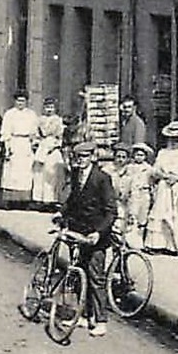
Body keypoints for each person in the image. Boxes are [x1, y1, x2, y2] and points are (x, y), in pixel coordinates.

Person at [57, 142, 118, 337]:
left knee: (95, 277)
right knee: (78, 272)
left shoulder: (102, 178)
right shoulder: (76, 174)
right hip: (79, 231)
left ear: (93, 157)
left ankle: (100, 320)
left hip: (96, 235)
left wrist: (99, 233)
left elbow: (110, 211)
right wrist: (62, 215)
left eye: (84, 157)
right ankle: (83, 315)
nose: (80, 161)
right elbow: (73, 200)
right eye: (78, 157)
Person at [146, 121, 178, 255]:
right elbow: (154, 170)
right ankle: (157, 245)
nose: (174, 142)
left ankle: (177, 246)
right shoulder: (162, 153)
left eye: (177, 139)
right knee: (161, 213)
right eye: (171, 139)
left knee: (176, 215)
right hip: (164, 186)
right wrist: (163, 175)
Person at [0, 91, 40, 208]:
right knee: (13, 173)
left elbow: (34, 131)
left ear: (26, 102)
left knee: (26, 172)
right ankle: (11, 200)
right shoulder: (10, 114)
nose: (20, 103)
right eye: (18, 100)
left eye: (23, 101)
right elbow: (5, 131)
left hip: (26, 144)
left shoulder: (31, 114)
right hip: (14, 143)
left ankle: (24, 200)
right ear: (14, 101)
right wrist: (7, 147)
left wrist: (34, 143)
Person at [31, 97, 67, 210]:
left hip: (53, 147)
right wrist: (36, 143)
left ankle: (51, 200)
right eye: (47, 107)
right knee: (39, 173)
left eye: (51, 107)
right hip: (42, 145)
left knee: (51, 173)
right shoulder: (39, 119)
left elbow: (60, 136)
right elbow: (35, 133)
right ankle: (39, 200)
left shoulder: (58, 120)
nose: (49, 110)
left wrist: (55, 145)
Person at [122, 143, 155, 249]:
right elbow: (123, 178)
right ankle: (129, 240)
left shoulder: (149, 168)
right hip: (133, 193)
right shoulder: (130, 167)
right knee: (132, 215)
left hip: (144, 193)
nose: (139, 157)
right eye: (137, 155)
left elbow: (153, 180)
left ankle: (140, 240)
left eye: (141, 155)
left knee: (143, 217)